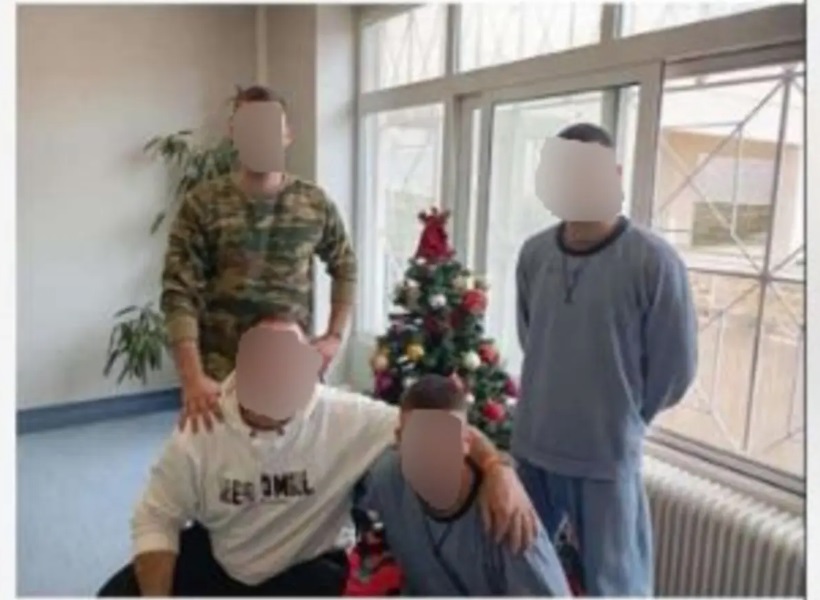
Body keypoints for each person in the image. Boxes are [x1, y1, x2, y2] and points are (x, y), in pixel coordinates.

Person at [98, 311, 539, 597]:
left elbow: (439, 428)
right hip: (227, 553)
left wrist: (496, 467)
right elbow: (156, 518)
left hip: (308, 566)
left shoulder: (344, 415)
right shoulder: (201, 429)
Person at [514, 123, 698, 596]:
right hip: (534, 446)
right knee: (523, 574)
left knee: (615, 584)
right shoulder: (534, 254)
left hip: (605, 456)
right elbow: (532, 337)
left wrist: (623, 416)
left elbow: (674, 371)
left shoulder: (653, 262)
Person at [161, 84, 356, 433]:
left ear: (287, 135)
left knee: (295, 460)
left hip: (290, 370)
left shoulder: (314, 202)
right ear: (233, 134)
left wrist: (334, 337)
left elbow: (345, 266)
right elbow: (178, 293)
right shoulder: (203, 204)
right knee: (222, 464)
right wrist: (193, 379)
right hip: (222, 378)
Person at [356, 374, 572, 596]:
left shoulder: (507, 516)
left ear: (467, 443)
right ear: (400, 440)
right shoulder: (388, 479)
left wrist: (497, 467)